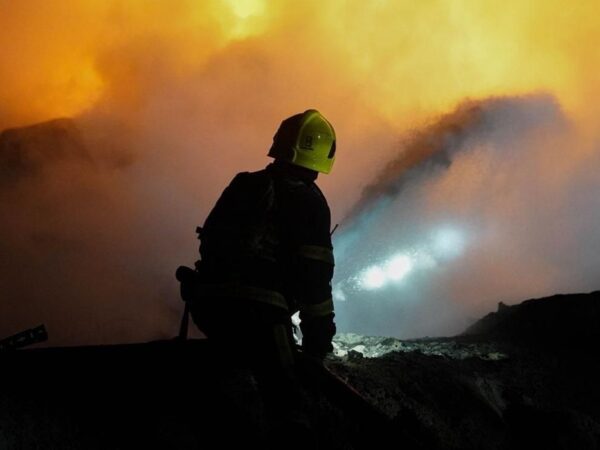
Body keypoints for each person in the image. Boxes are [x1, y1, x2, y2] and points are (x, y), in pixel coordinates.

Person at [178, 109, 337, 441]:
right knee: (290, 405)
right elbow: (315, 282)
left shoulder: (244, 184)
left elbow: (209, 245)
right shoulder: (309, 201)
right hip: (261, 317)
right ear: (322, 156)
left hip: (208, 309)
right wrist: (316, 347)